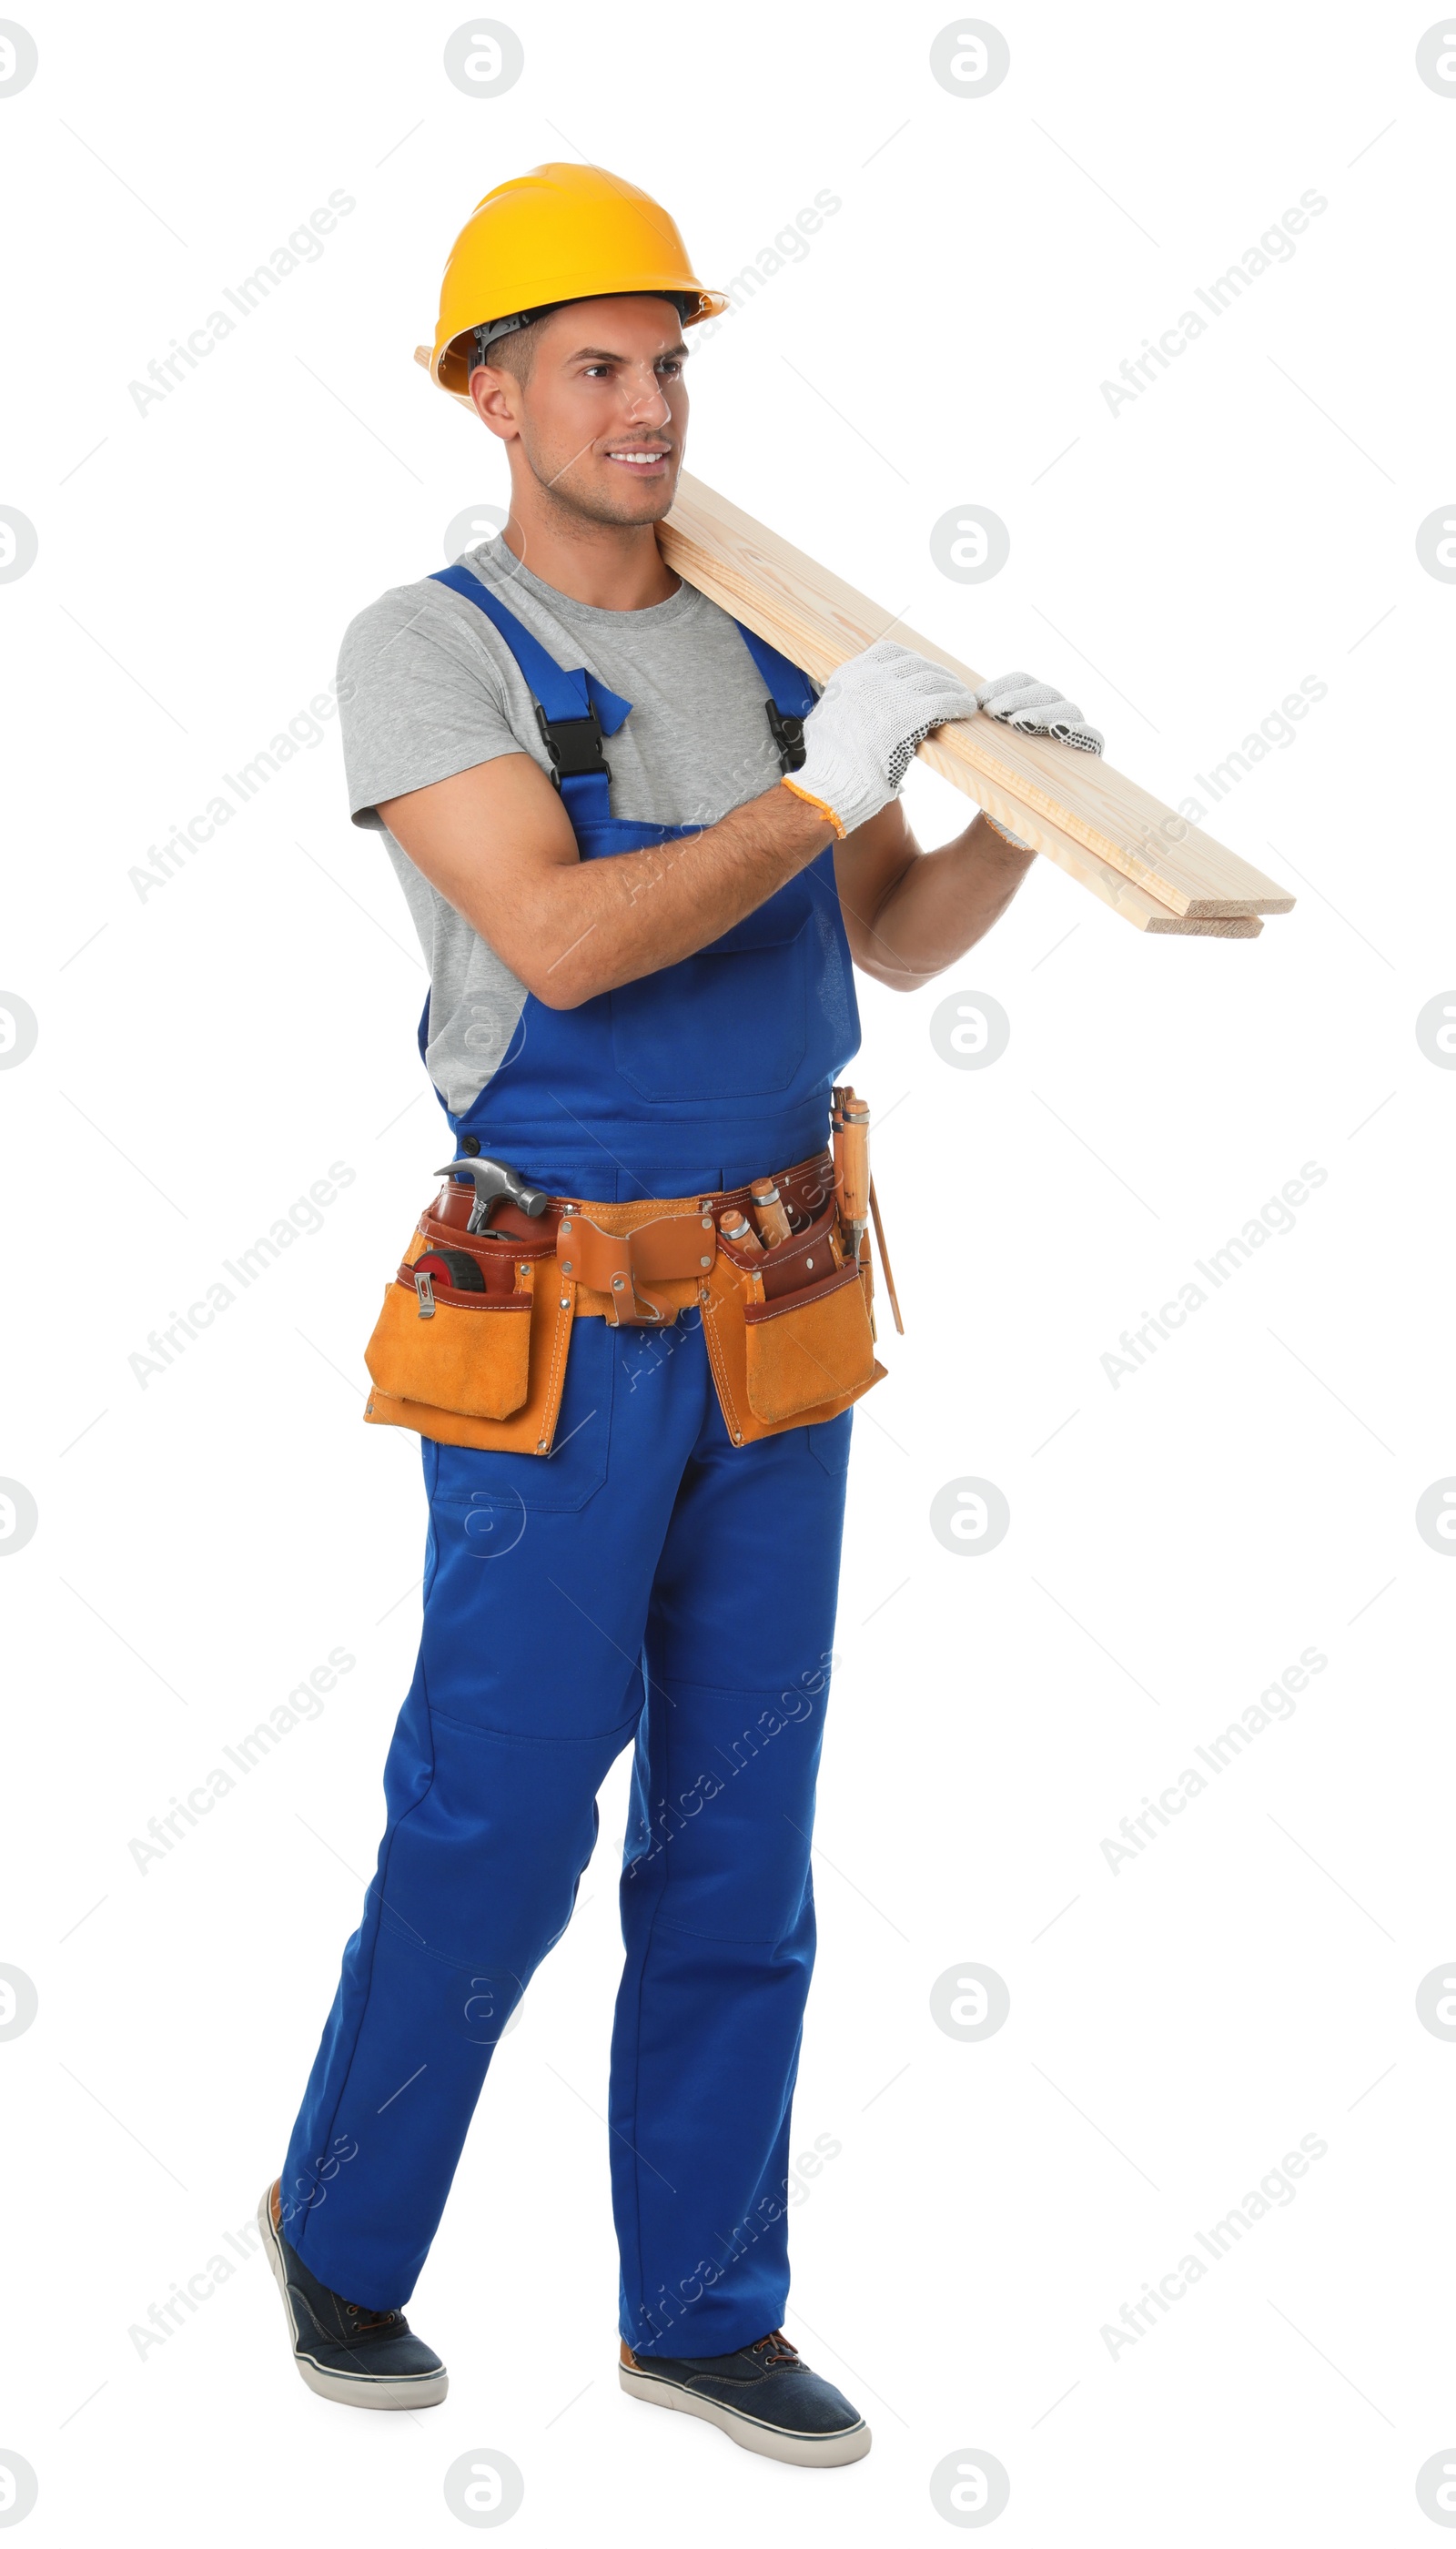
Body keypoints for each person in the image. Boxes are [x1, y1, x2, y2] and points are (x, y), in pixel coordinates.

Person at [259, 161, 1100, 2469]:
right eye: (600, 370)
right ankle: (340, 2237)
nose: (649, 409)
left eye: (669, 365)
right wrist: (819, 778)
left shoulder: (764, 637)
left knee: (743, 1839)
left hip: (774, 1303)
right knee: (498, 1818)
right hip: (553, 1319)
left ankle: (703, 2304)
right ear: (490, 390)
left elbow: (896, 938)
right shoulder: (423, 649)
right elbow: (558, 940)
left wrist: (1005, 797)